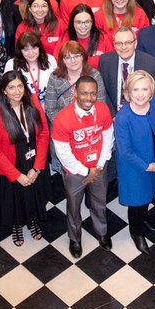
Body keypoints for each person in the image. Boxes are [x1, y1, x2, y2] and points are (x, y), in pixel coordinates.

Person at [52, 75, 114, 258]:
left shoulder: (103, 111)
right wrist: (86, 171)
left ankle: (101, 232)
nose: (89, 98)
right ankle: (75, 238)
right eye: (84, 93)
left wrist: (99, 166)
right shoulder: (62, 119)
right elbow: (63, 154)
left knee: (100, 203)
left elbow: (108, 139)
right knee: (73, 207)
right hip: (75, 172)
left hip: (99, 167)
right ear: (74, 92)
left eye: (93, 94)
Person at [0, 70, 51, 245]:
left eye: (20, 86)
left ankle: (33, 220)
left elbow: (44, 133)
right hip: (9, 163)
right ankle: (17, 225)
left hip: (32, 160)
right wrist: (17, 176)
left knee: (33, 194)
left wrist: (37, 167)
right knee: (14, 198)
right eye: (11, 87)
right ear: (4, 91)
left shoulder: (33, 103)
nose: (17, 91)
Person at [114, 70, 155, 253]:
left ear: (151, 90)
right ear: (128, 93)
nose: (140, 94)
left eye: (145, 89)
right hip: (135, 169)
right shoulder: (123, 118)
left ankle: (143, 219)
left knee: (147, 195)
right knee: (137, 202)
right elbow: (125, 152)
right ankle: (136, 232)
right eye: (136, 90)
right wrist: (147, 166)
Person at [44, 41, 109, 131]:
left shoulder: (94, 75)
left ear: (83, 57)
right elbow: (50, 108)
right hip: (63, 129)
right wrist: (64, 126)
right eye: (68, 57)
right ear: (63, 60)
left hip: (90, 128)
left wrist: (84, 127)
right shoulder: (55, 77)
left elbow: (100, 105)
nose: (73, 61)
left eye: (76, 56)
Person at [99, 27, 155, 111]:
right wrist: (113, 115)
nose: (124, 47)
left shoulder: (150, 63)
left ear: (135, 43)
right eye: (119, 43)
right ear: (114, 45)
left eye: (128, 43)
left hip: (141, 113)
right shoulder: (105, 61)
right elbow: (103, 92)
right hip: (113, 115)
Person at [5, 31, 57, 105]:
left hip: (50, 107)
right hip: (24, 108)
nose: (31, 53)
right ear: (20, 51)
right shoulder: (11, 64)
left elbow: (57, 86)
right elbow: (7, 90)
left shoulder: (50, 60)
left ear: (39, 47)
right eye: (26, 50)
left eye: (34, 48)